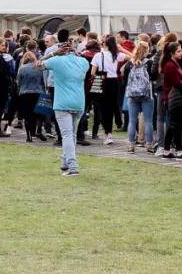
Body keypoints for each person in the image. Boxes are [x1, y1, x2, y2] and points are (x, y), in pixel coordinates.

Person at [40, 41, 90, 176]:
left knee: (67, 135)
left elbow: (38, 64)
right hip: (79, 102)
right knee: (71, 135)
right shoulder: (83, 62)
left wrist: (52, 54)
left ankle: (73, 167)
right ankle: (65, 162)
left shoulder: (56, 60)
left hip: (62, 103)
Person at [90, 35, 126, 145]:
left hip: (103, 82)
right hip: (114, 82)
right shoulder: (116, 54)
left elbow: (92, 72)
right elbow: (133, 57)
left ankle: (108, 133)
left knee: (104, 109)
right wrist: (122, 49)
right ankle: (118, 120)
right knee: (114, 104)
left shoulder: (98, 55)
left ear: (103, 44)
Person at [159, 41, 182, 160]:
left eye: (181, 50)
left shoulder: (176, 63)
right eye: (178, 51)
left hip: (177, 98)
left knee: (175, 125)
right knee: (175, 125)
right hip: (173, 98)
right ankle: (175, 150)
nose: (181, 53)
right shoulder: (170, 65)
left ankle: (169, 150)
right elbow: (177, 83)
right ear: (172, 53)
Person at [122, 41, 155, 153]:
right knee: (148, 121)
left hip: (132, 95)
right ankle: (149, 145)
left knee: (132, 121)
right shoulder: (150, 63)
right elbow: (153, 77)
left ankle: (131, 145)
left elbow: (124, 80)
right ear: (147, 50)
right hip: (146, 95)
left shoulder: (129, 63)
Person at [15, 52, 45, 141]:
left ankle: (29, 136)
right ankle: (38, 130)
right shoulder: (39, 67)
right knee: (39, 114)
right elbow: (42, 81)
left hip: (25, 93)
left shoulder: (22, 68)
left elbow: (18, 82)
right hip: (37, 92)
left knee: (27, 115)